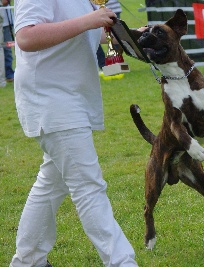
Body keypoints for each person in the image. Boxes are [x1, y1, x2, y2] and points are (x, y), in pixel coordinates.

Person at [10, 1, 138, 266]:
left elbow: (88, 31)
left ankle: (29, 260)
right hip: (51, 98)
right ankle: (122, 261)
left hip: (71, 97)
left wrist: (132, 33)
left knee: (51, 184)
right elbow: (26, 36)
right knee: (88, 187)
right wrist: (90, 19)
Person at [96, 0, 122, 72]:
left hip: (113, 9)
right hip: (95, 12)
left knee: (116, 37)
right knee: (94, 38)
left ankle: (116, 64)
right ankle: (103, 65)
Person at [1, 0, 14, 82]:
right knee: (6, 48)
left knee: (8, 48)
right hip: (3, 24)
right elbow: (4, 2)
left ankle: (8, 73)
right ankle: (8, 74)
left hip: (7, 22)